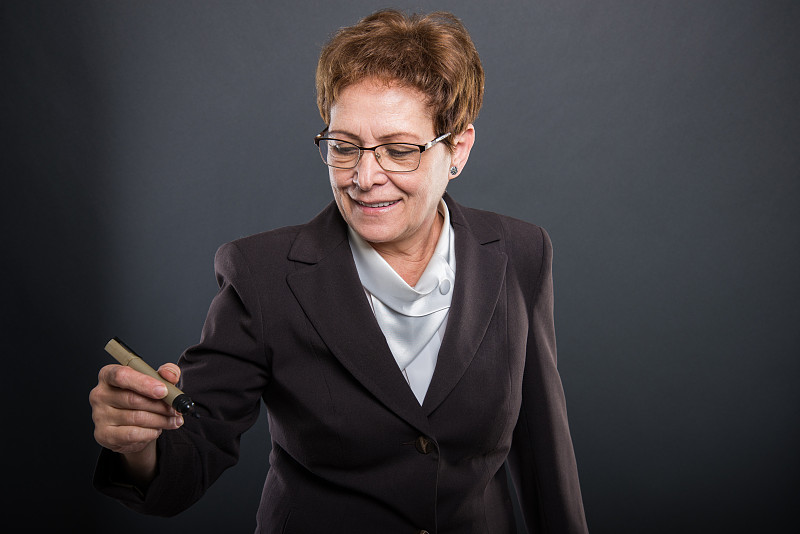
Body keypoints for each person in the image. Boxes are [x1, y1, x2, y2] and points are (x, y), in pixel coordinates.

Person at [90, 9, 588, 533]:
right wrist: (139, 445)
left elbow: (542, 455)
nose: (364, 177)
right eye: (344, 147)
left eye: (399, 151)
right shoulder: (261, 275)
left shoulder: (520, 251)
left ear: (457, 149)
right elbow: (190, 456)